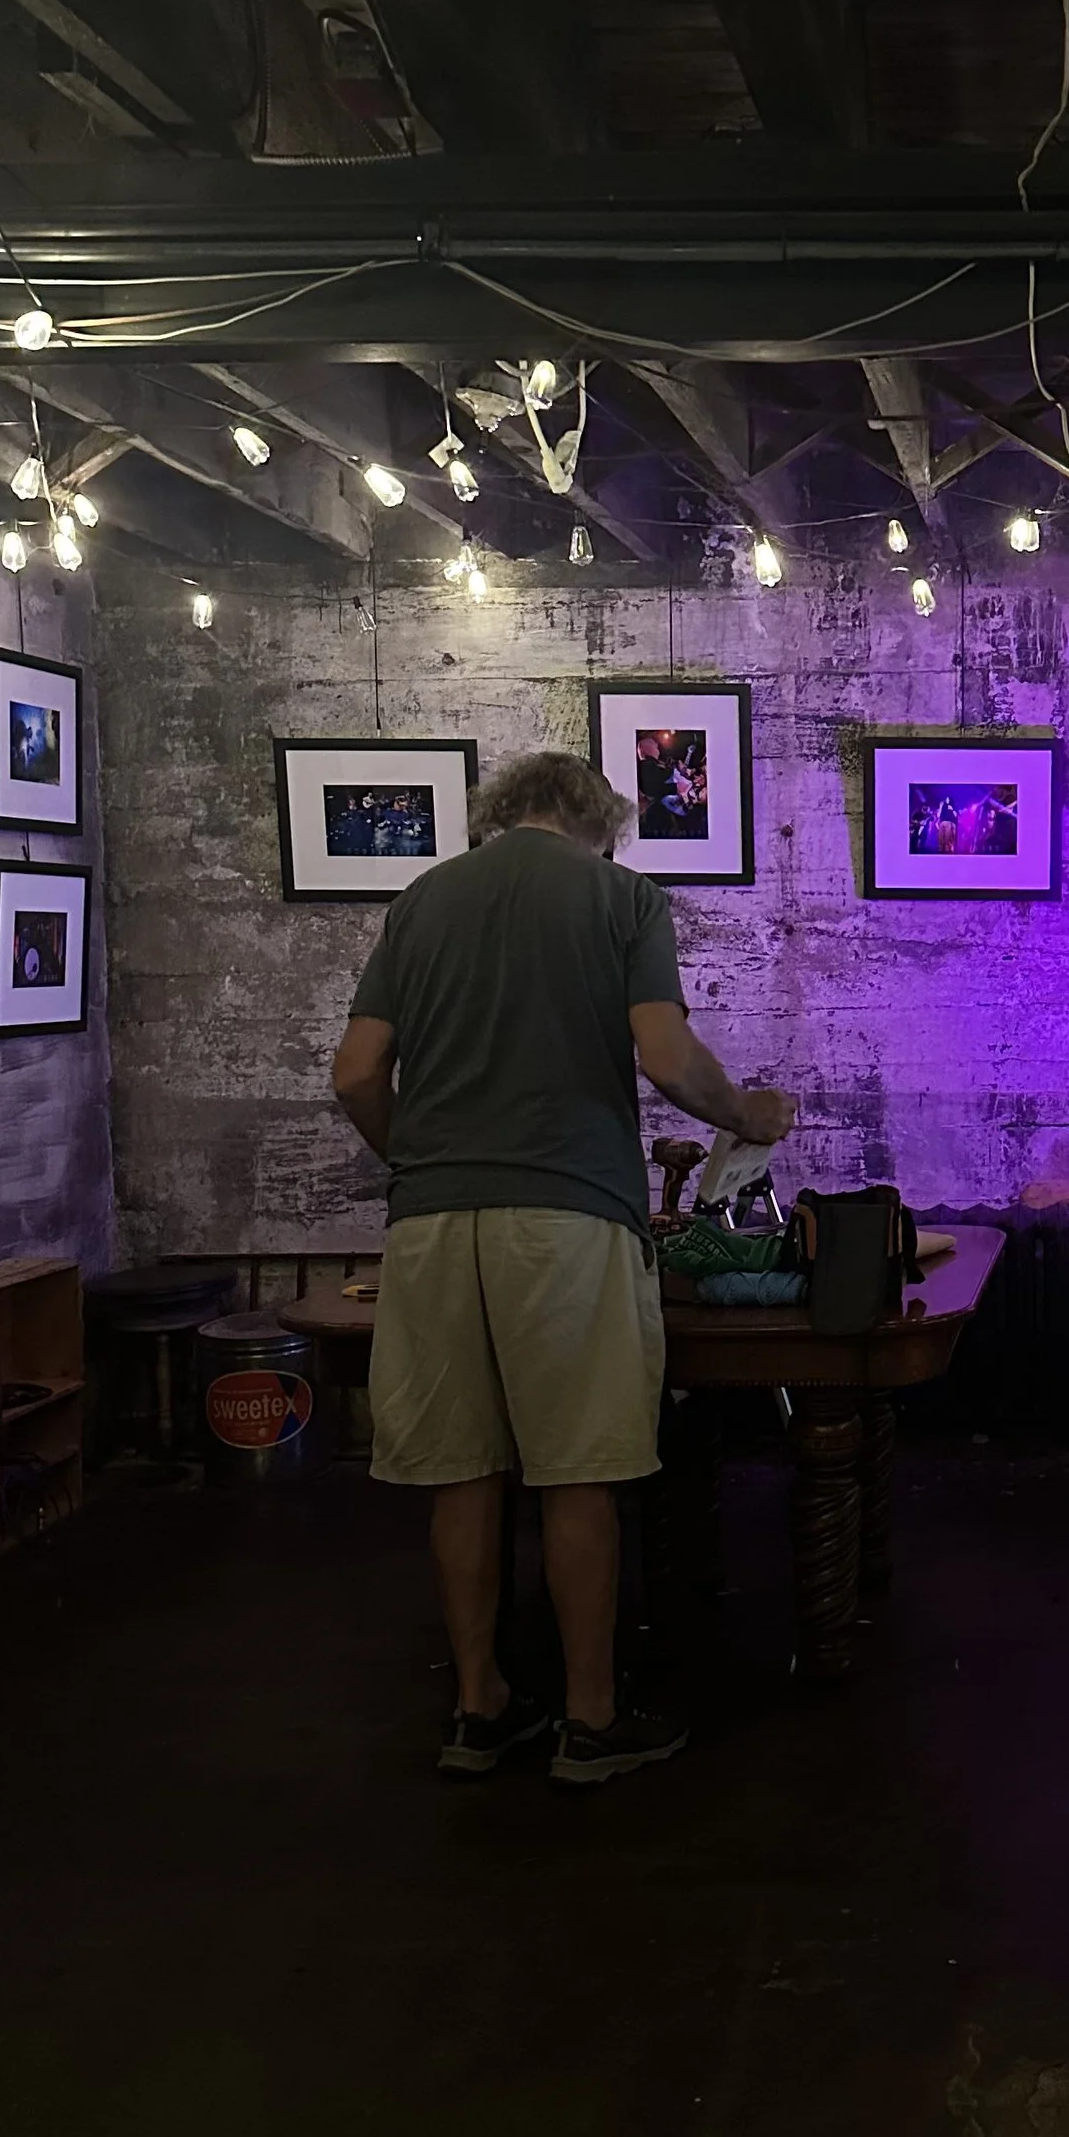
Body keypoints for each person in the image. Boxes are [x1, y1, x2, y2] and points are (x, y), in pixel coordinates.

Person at [331, 751, 795, 1786]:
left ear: (503, 815)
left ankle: (480, 1706)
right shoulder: (621, 897)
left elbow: (357, 1071)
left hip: (432, 1222)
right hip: (569, 1214)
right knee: (578, 1469)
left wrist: (416, 1157)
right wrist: (748, 1114)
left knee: (462, 1468)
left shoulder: (422, 901)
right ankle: (590, 1722)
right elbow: (665, 1057)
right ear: (600, 822)